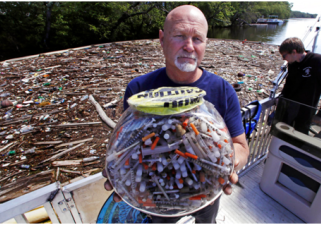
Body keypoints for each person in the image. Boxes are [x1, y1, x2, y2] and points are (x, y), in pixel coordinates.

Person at [102, 5, 249, 223]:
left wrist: (225, 162)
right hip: (156, 198)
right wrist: (120, 171)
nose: (189, 46)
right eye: (180, 36)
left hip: (206, 193)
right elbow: (127, 143)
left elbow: (241, 147)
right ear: (162, 39)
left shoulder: (223, 89)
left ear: (206, 43)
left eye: (197, 39)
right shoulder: (138, 88)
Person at [278, 37, 321, 133]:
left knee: (299, 136)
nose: (284, 59)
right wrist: (281, 97)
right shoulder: (292, 64)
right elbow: (289, 83)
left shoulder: (317, 61)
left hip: (306, 110)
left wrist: (320, 115)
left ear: (294, 52)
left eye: (284, 56)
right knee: (283, 132)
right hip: (290, 108)